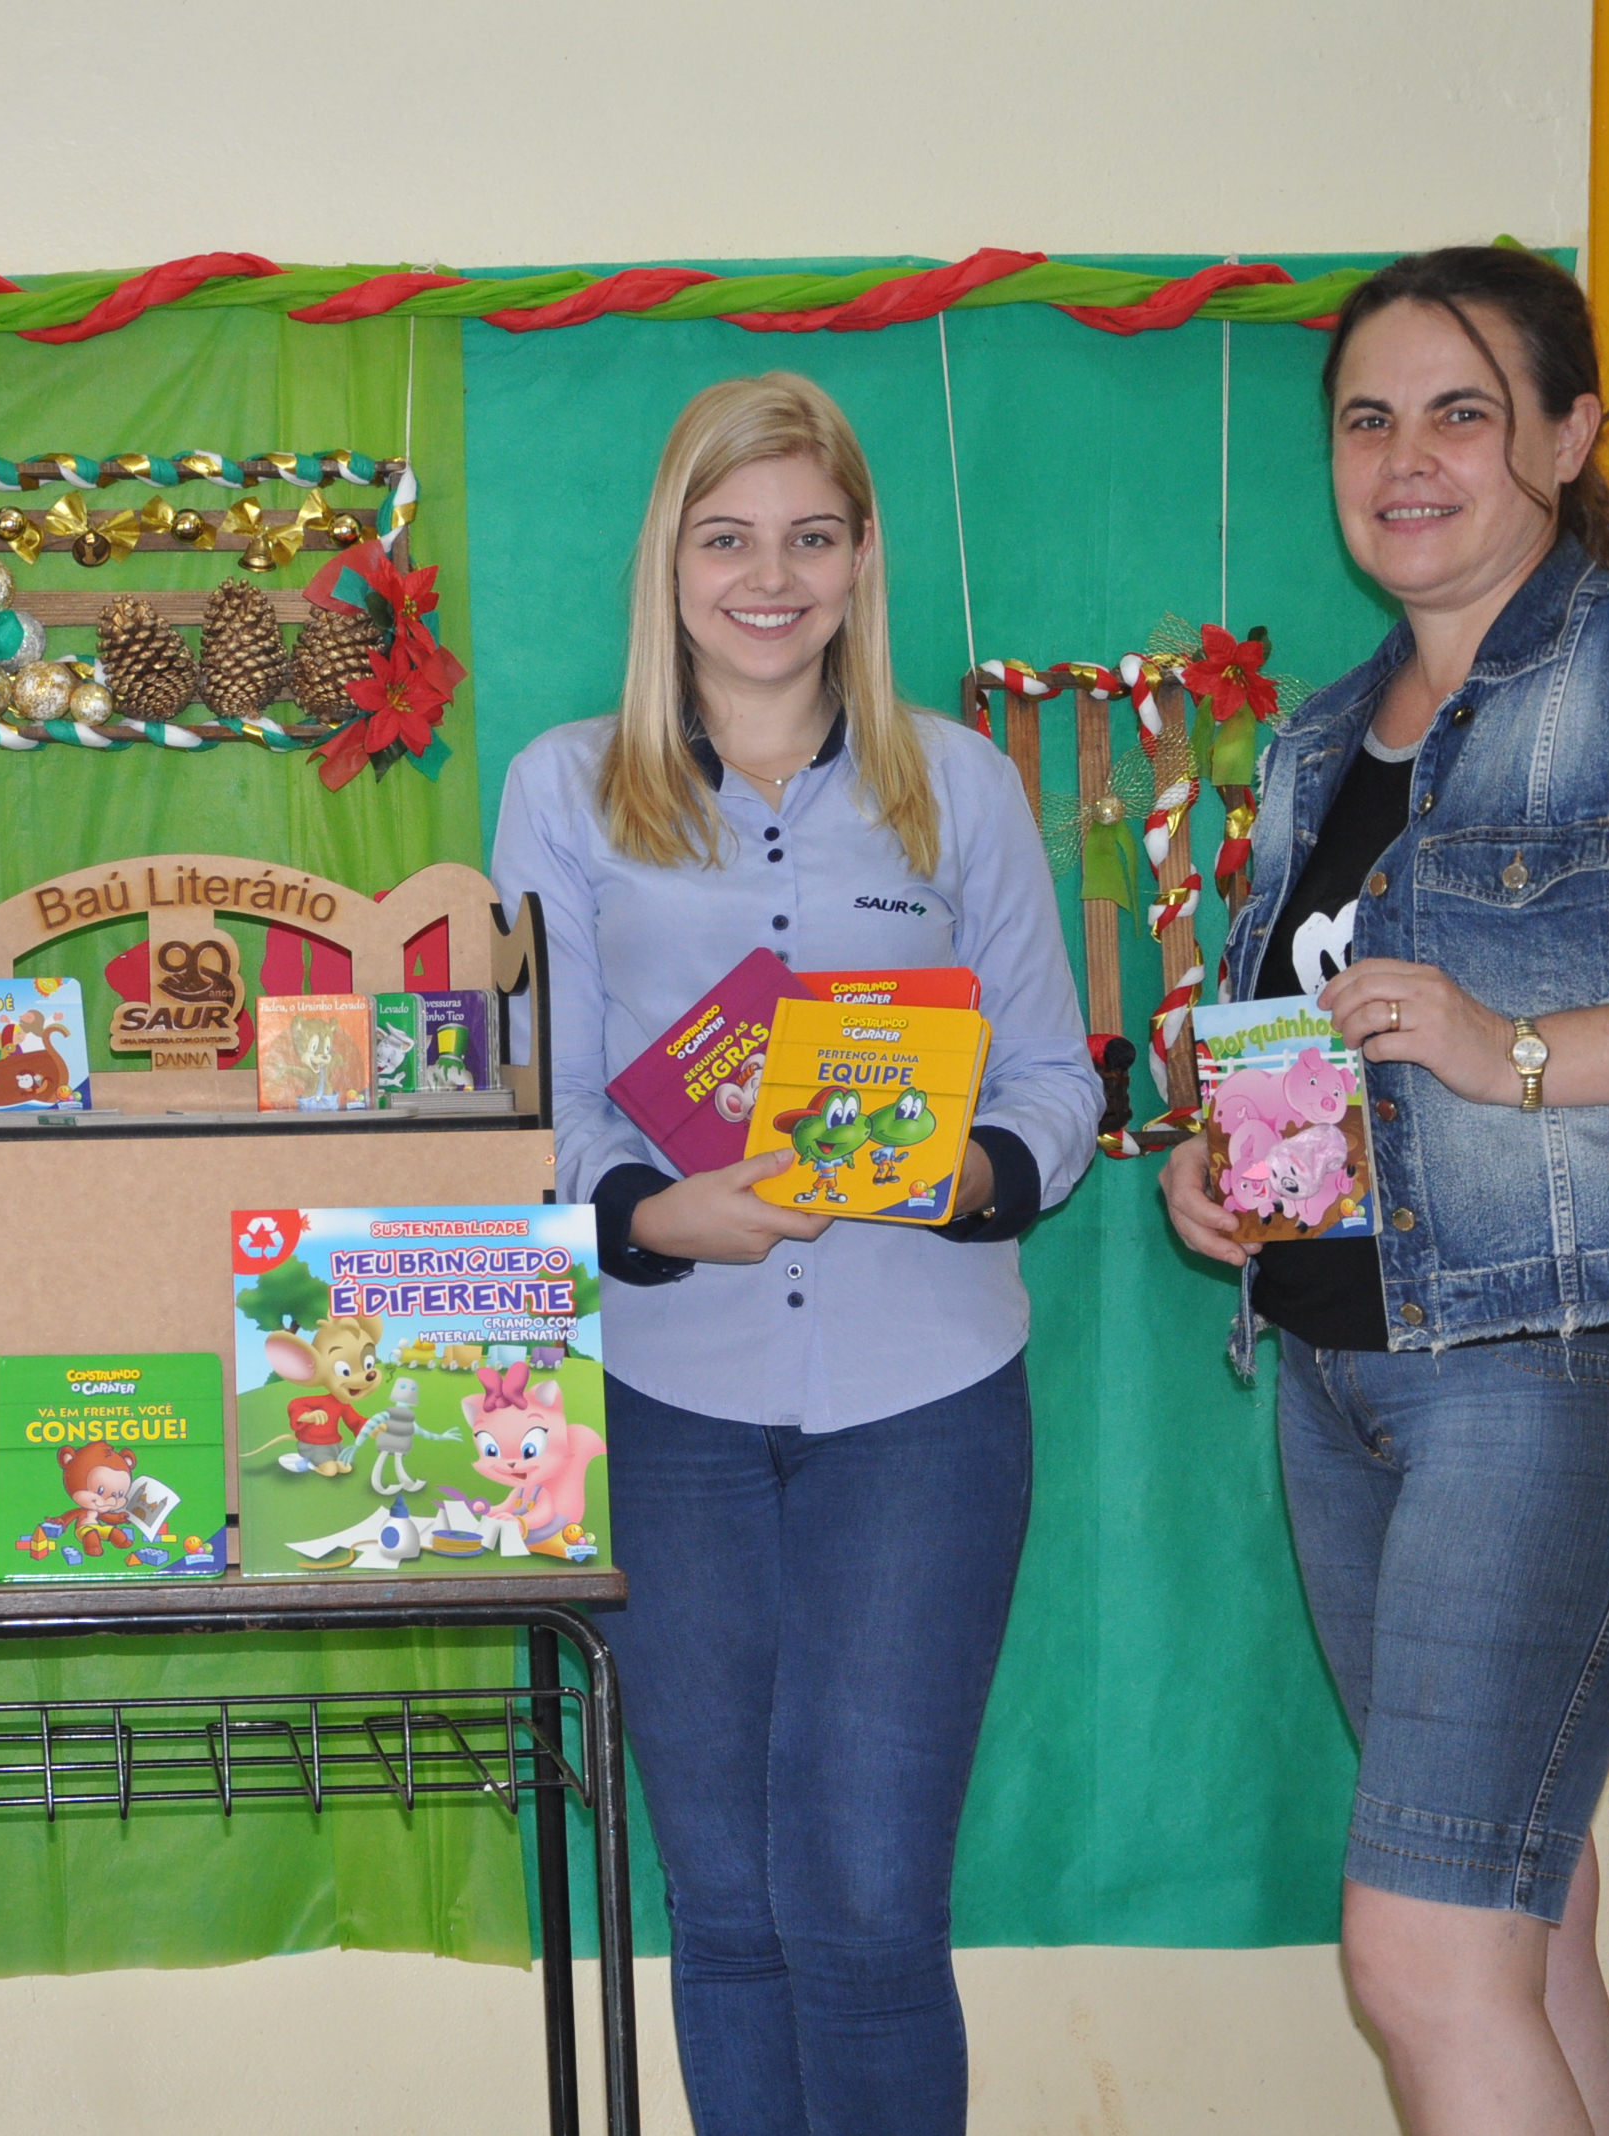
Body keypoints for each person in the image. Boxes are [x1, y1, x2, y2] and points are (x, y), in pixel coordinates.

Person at [1160, 245, 1609, 2136]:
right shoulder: (1312, 742)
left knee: (1424, 1955)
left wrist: (1515, 1050)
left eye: (1463, 409)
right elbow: (1344, 1057)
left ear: (1569, 430)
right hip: (1352, 1381)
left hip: (1572, 1366)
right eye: (1369, 417)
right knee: (1518, 1923)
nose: (1408, 455)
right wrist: (1237, 1183)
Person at [493, 372, 1100, 2136]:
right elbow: (539, 1098)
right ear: (668, 559)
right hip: (666, 1403)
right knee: (732, 1913)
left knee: (866, 1909)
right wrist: (648, 1220)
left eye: (811, 538)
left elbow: (1056, 1081)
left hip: (926, 1401)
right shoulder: (563, 790)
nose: (772, 578)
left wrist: (970, 1174)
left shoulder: (962, 790)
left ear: (860, 559)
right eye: (728, 537)